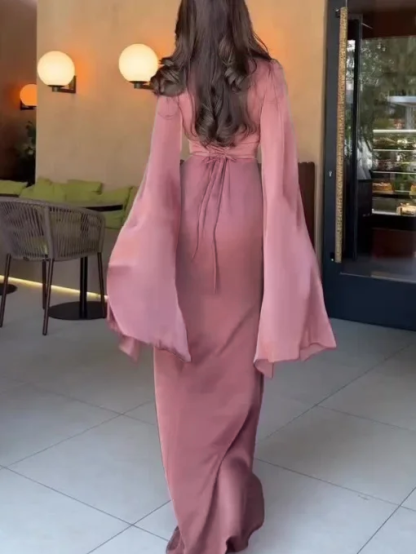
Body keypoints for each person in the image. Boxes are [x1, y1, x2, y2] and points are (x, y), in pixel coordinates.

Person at [107, 0, 336, 552]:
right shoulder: (267, 75)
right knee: (237, 369)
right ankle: (228, 505)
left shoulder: (173, 77)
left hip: (187, 217)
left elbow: (159, 179)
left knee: (182, 372)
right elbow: (281, 183)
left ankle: (198, 516)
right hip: (245, 219)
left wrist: (142, 254)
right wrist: (291, 268)